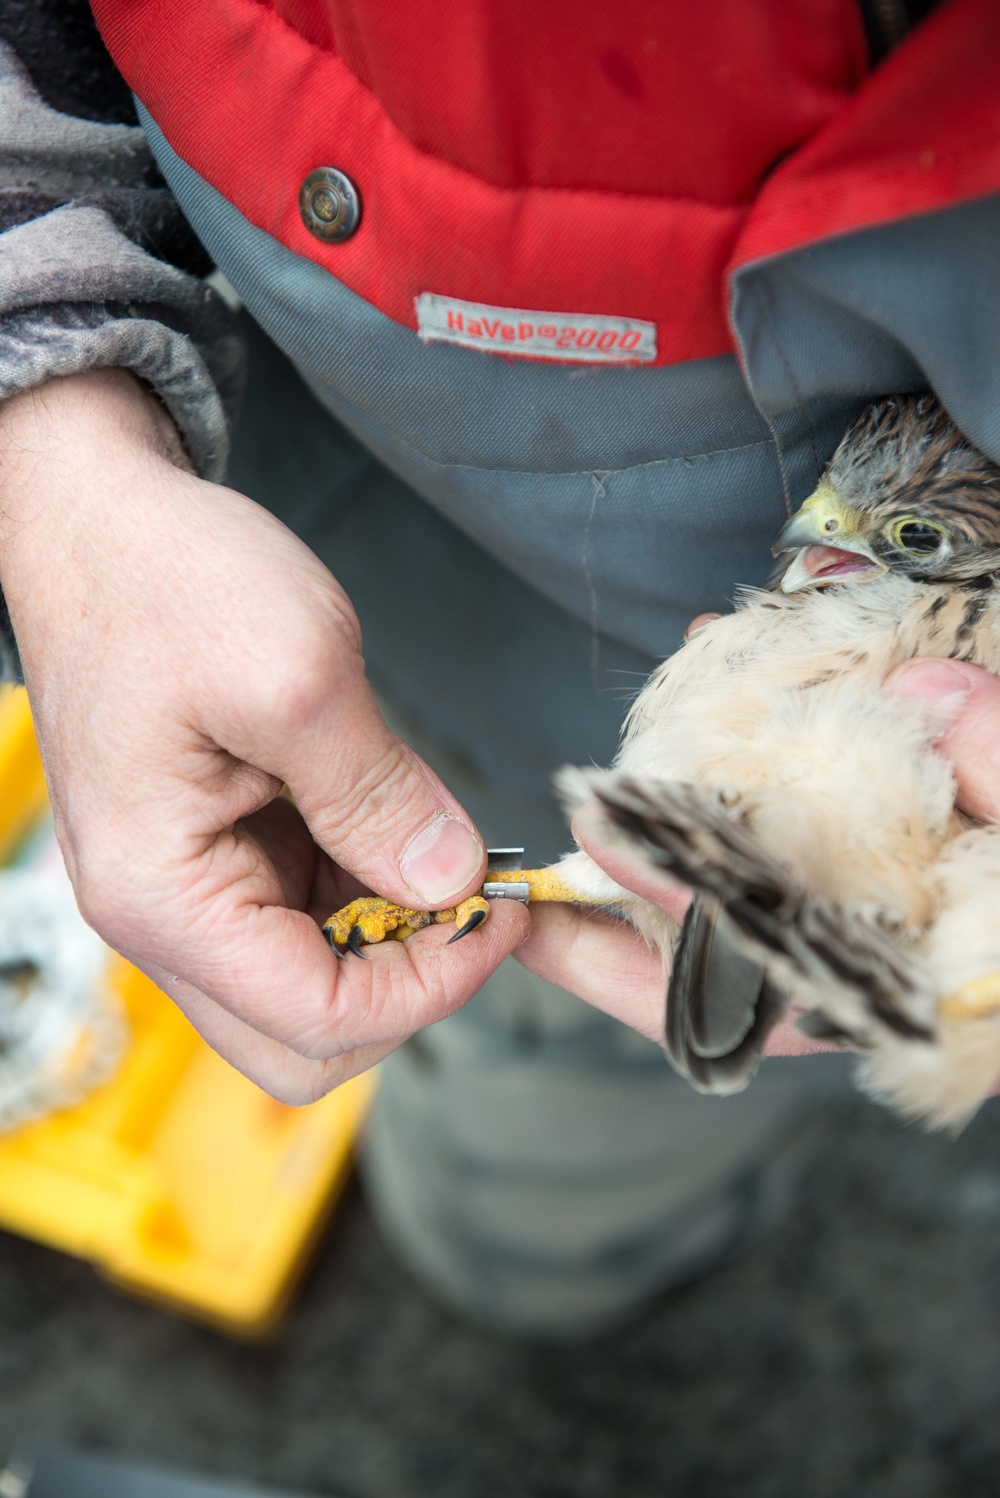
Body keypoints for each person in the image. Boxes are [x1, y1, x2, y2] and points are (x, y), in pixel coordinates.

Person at [1, 0, 998, 1335]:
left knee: (540, 1221)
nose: (814, 540)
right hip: (336, 511)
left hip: (779, 874)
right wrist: (55, 457)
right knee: (508, 1204)